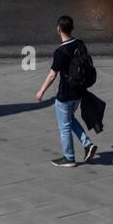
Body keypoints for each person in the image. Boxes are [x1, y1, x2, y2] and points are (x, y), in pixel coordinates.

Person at [35, 15, 97, 167]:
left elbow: (52, 75)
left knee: (64, 127)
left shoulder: (60, 51)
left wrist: (41, 91)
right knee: (69, 119)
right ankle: (87, 144)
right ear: (72, 28)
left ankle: (69, 158)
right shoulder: (80, 44)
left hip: (65, 95)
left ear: (58, 29)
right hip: (79, 92)